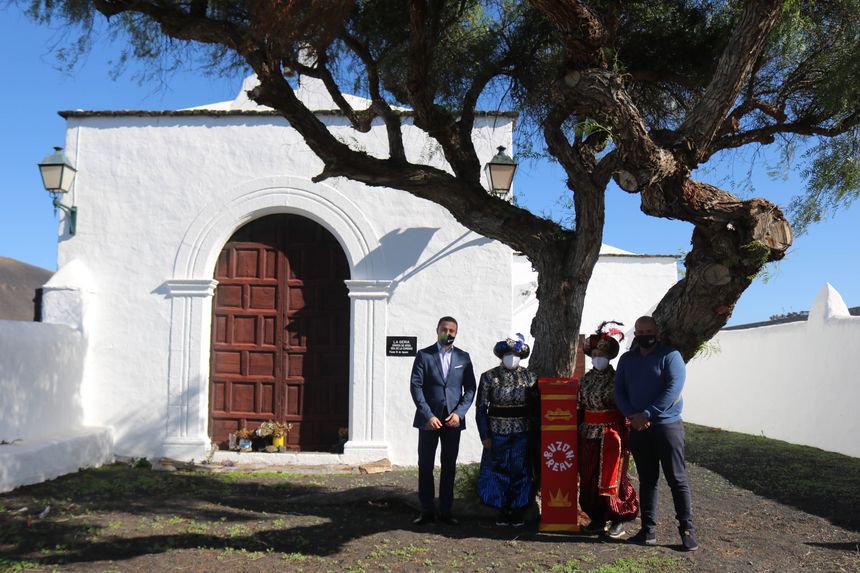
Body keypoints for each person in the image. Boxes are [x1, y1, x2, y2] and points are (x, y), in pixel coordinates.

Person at [614, 316, 699, 551]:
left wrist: (648, 414)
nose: (644, 334)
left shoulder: (670, 356)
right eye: (639, 331)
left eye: (648, 330)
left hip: (667, 426)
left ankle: (687, 530)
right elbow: (619, 390)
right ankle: (647, 530)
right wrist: (632, 415)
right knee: (648, 480)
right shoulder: (627, 359)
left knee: (677, 479)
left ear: (657, 332)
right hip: (638, 428)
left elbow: (674, 388)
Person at [409, 316, 477, 525]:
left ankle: (446, 511)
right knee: (426, 464)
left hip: (452, 421)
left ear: (456, 333)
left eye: (452, 331)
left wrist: (460, 413)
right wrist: (428, 415)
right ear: (437, 330)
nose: (448, 333)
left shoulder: (463, 358)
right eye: (444, 329)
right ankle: (427, 511)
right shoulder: (424, 355)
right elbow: (416, 386)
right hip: (429, 420)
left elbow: (471, 389)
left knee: (449, 466)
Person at [578, 321, 639, 538]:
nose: (597, 357)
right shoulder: (584, 380)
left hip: (612, 434)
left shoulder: (617, 379)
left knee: (613, 476)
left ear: (610, 355)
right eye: (594, 353)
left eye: (601, 353)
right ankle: (596, 518)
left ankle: (618, 518)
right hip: (588, 433)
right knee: (588, 475)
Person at [475, 334, 537, 527]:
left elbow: (536, 408)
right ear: (501, 355)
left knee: (520, 469)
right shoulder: (489, 377)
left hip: (522, 432)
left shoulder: (530, 377)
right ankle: (501, 508)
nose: (512, 356)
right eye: (508, 353)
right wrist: (484, 434)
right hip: (497, 431)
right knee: (498, 469)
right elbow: (481, 408)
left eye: (515, 353)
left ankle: (518, 508)